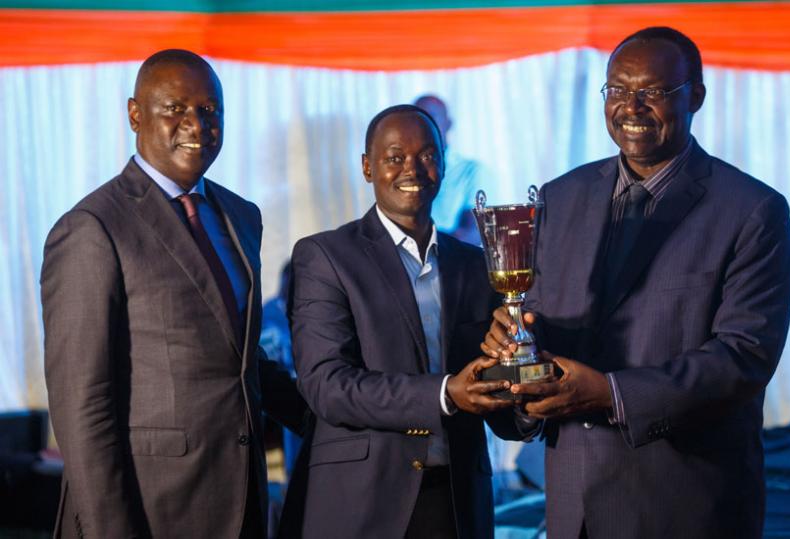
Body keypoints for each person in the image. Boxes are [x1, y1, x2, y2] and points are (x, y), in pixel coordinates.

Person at [483, 27, 790, 538]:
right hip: (571, 507)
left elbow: (743, 357)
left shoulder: (751, 210)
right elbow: (539, 325)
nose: (632, 106)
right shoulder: (559, 198)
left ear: (695, 95)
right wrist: (513, 351)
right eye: (618, 90)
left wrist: (610, 395)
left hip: (683, 507)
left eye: (653, 91)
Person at [41, 49, 306, 538]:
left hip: (241, 502)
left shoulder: (240, 216)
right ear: (135, 114)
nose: (196, 124)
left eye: (209, 110)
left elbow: (240, 361)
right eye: (176, 109)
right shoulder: (92, 227)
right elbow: (83, 404)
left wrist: (343, 419)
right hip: (146, 510)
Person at [283, 104, 526, 538]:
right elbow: (326, 385)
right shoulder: (326, 256)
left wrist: (526, 386)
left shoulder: (476, 265)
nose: (412, 168)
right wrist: (444, 394)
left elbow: (490, 383)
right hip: (362, 501)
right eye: (395, 156)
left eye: (427, 155)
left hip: (458, 500)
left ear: (444, 163)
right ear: (367, 166)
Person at [414, 95, 492, 233]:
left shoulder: (471, 171)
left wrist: (429, 250)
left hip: (449, 253)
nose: (423, 125)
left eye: (431, 117)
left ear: (449, 123)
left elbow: (474, 232)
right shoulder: (403, 171)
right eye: (417, 120)